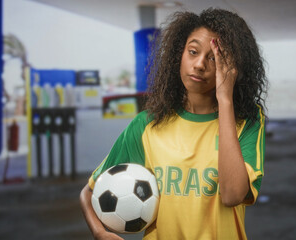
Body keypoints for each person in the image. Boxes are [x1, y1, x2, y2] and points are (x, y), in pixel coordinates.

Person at [80, 8, 268, 240]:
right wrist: (99, 232)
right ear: (179, 54)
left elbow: (232, 195)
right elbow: (89, 193)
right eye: (193, 51)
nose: (200, 64)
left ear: (233, 67)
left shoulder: (247, 121)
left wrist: (225, 100)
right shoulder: (147, 125)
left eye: (213, 58)